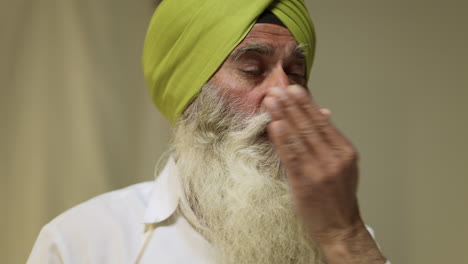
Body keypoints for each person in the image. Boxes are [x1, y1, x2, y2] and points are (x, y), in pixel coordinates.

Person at [28, 0, 391, 263]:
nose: (284, 92)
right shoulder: (85, 242)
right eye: (252, 69)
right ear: (188, 92)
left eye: (296, 73)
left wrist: (345, 235)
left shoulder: (341, 238)